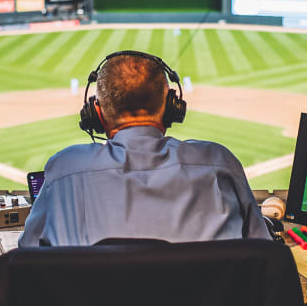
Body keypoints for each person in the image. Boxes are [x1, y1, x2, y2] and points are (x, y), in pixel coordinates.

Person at [19, 52, 269, 247]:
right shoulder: (219, 163)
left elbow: (27, 258)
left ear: (97, 113)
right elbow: (263, 253)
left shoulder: (66, 169)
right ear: (172, 106)